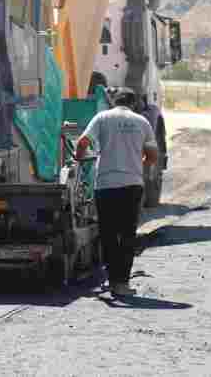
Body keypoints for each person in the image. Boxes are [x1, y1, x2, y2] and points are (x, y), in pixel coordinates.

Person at [74, 87, 159, 298]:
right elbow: (153, 156)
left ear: (114, 102)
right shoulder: (142, 122)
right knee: (128, 234)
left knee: (109, 234)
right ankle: (122, 283)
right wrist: (140, 167)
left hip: (106, 185)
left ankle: (112, 281)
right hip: (132, 185)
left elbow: (82, 142)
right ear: (133, 104)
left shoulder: (102, 117)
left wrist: (79, 158)